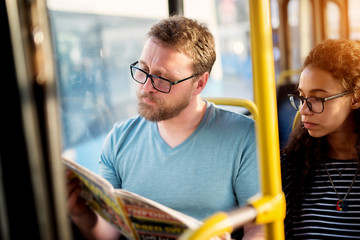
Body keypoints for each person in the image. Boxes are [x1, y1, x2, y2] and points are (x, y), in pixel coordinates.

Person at [67, 15, 263, 239]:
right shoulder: (119, 139)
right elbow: (110, 233)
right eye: (143, 69)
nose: (145, 86)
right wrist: (83, 216)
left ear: (199, 83)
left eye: (162, 79)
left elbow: (259, 228)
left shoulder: (244, 137)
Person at [281, 39, 360, 239]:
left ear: (355, 98)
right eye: (302, 97)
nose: (303, 110)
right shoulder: (293, 167)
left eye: (317, 98)